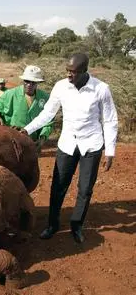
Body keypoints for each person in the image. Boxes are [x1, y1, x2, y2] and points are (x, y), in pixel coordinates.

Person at [21, 53, 118, 244]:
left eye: (73, 72)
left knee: (85, 189)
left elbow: (109, 120)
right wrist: (28, 129)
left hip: (92, 144)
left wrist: (110, 151)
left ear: (84, 71)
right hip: (67, 143)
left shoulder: (101, 89)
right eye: (67, 71)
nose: (69, 75)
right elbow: (48, 113)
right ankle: (52, 225)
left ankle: (76, 225)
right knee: (58, 186)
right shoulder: (61, 86)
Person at [0, 66, 52, 152]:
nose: (29, 85)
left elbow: (49, 121)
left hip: (32, 142)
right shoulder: (10, 94)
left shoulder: (45, 98)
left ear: (38, 83)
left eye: (33, 82)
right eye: (27, 81)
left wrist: (42, 138)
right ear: (23, 81)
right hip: (12, 140)